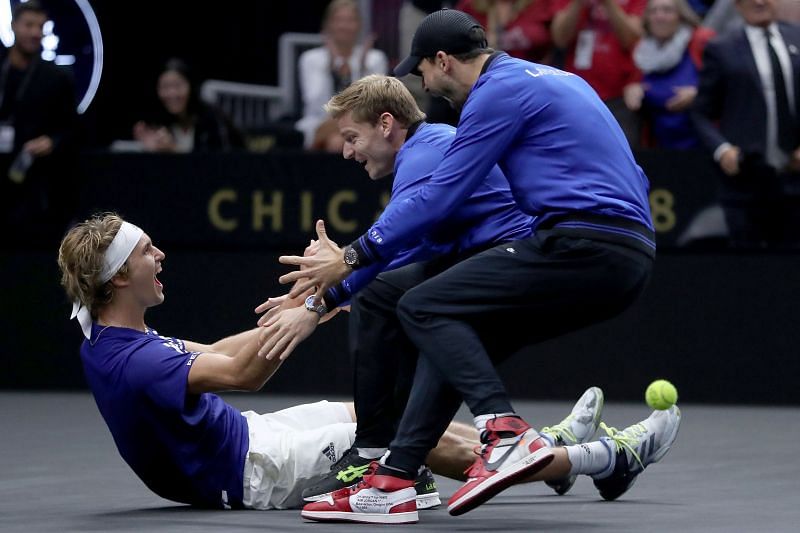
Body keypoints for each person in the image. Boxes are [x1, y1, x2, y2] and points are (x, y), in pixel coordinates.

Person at [275, 8, 681, 524]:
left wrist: (350, 260)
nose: (421, 83)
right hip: (623, 252)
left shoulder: (495, 94)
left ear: (443, 61)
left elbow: (440, 199)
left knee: (421, 304)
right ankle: (395, 477)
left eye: (420, 70)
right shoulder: (557, 80)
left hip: (582, 244)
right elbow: (634, 175)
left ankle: (504, 433)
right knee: (450, 326)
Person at [255, 74, 602, 504]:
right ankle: (407, 461)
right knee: (386, 301)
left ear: (386, 124)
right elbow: (400, 251)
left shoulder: (426, 154)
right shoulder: (429, 146)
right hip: (486, 262)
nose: (346, 151)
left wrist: (324, 295)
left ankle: (378, 453)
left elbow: (389, 246)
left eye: (351, 137)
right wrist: (325, 295)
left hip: (510, 265)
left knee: (385, 300)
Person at [56, 212, 512, 511]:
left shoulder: (112, 335)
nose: (160, 256)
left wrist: (309, 302)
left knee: (372, 415)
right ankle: (561, 457)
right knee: (392, 436)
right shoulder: (133, 362)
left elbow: (219, 353)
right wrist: (310, 310)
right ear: (118, 276)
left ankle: (521, 441)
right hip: (253, 472)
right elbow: (244, 373)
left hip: (251, 434)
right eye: (146, 252)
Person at [691, 0, 800, 247]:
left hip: (795, 181)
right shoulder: (722, 48)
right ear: (737, 5)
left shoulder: (798, 37)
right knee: (749, 270)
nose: (759, 1)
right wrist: (722, 150)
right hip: (745, 181)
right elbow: (700, 113)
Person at [0, 0, 78, 246]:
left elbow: (74, 128)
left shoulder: (57, 77)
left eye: (41, 26)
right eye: (29, 25)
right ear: (13, 26)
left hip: (34, 181)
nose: (35, 32)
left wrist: (52, 141)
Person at [551, 0, 647, 146]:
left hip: (619, 94)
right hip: (577, 92)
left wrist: (608, 3)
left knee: (619, 150)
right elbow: (560, 39)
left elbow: (631, 39)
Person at [295, 0, 388, 148]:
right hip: (321, 125)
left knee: (338, 143)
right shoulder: (311, 59)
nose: (344, 26)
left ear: (359, 25)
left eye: (350, 20)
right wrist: (331, 71)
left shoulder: (374, 58)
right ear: (328, 25)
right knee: (338, 141)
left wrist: (362, 71)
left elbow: (373, 107)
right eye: (338, 20)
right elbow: (316, 105)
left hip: (362, 126)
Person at [624, 0, 715, 149]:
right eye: (653, 11)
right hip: (660, 146)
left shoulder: (702, 41)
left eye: (667, 10)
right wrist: (632, 90)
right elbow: (633, 85)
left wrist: (698, 94)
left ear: (681, 15)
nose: (660, 17)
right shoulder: (641, 50)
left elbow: (728, 85)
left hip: (703, 143)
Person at [133, 58, 244, 153]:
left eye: (178, 86)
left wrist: (173, 150)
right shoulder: (159, 124)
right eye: (165, 87)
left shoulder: (211, 118)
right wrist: (150, 152)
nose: (172, 93)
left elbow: (217, 166)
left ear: (191, 86)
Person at [456, 0, 557, 63]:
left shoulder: (540, 4)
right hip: (487, 79)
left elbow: (557, 42)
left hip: (535, 77)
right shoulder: (470, 6)